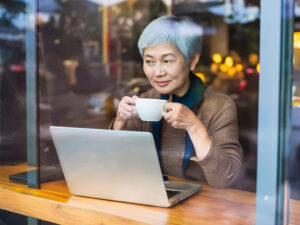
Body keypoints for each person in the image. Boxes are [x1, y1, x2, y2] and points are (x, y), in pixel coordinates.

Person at [111, 15, 242, 188]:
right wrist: (119, 122)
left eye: (167, 61)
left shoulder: (219, 106)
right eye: (149, 61)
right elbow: (115, 166)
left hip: (203, 206)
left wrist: (194, 127)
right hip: (150, 196)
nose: (157, 72)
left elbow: (225, 177)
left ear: (192, 60)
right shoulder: (145, 102)